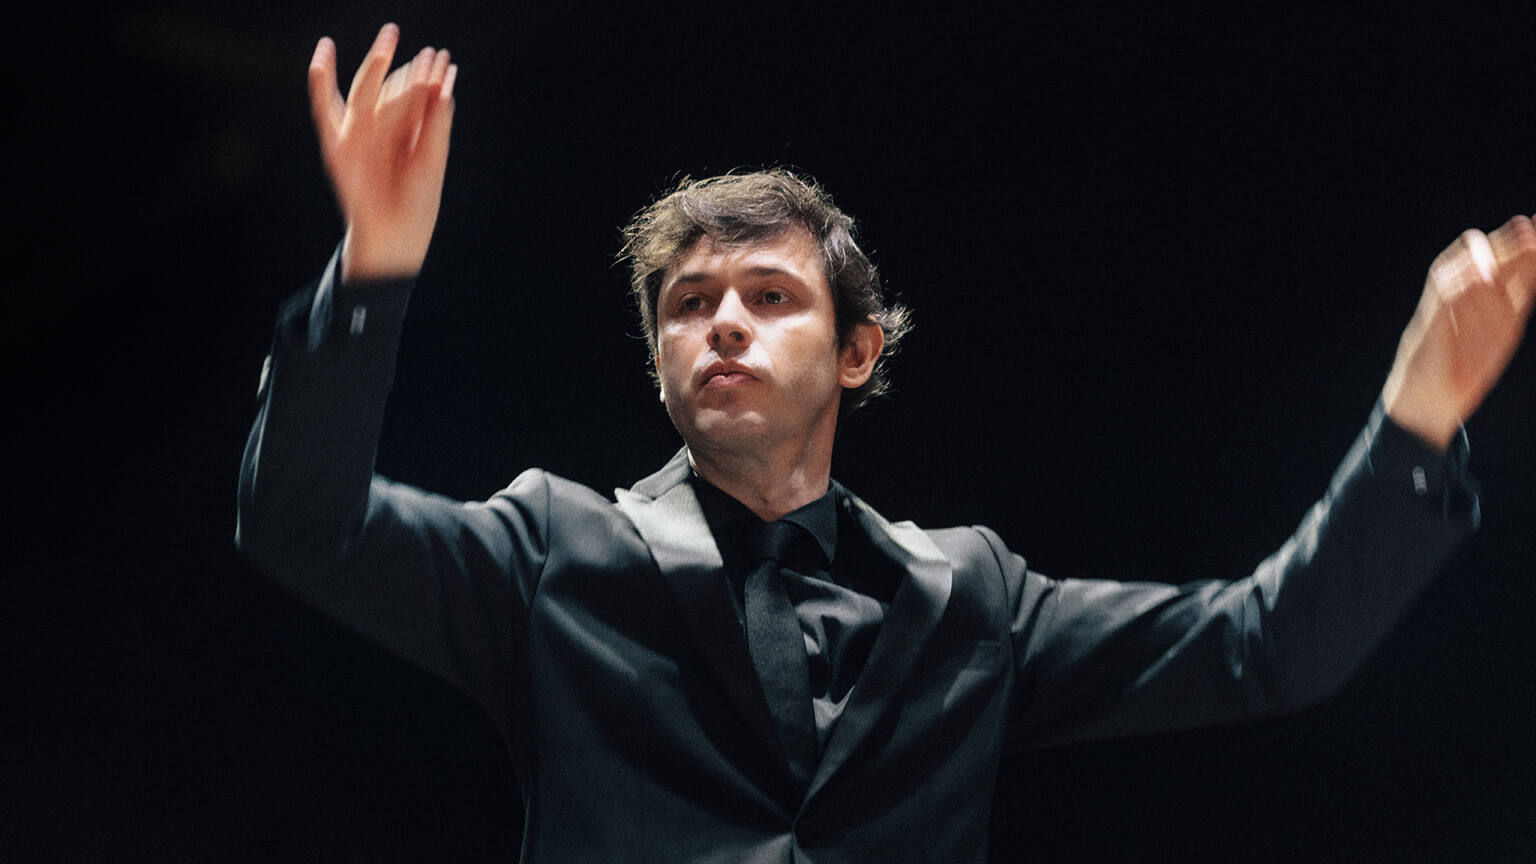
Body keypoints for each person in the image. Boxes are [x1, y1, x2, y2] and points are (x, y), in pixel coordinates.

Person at [236, 23, 1535, 863]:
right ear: (659, 361)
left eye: (770, 296)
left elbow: (1270, 647)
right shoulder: (548, 551)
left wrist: (1415, 420)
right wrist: (373, 274)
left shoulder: (971, 596)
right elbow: (301, 522)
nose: (722, 324)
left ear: (857, 352)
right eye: (688, 305)